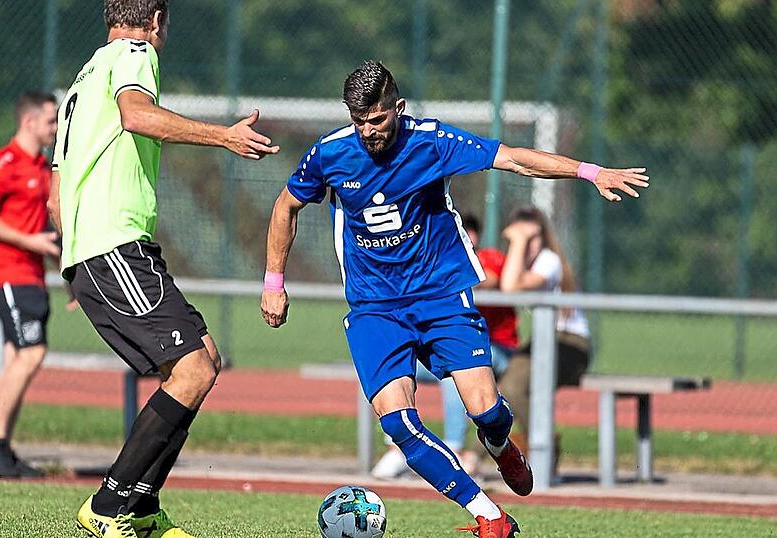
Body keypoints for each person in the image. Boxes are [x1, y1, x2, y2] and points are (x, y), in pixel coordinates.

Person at [260, 60, 646, 537]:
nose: (367, 132)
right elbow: (286, 206)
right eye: (358, 120)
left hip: (440, 297)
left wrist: (589, 172)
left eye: (377, 120)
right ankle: (489, 517)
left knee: (486, 411)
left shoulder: (432, 142)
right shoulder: (330, 154)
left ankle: (502, 446)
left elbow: (515, 158)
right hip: (375, 307)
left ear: (397, 108)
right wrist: (274, 282)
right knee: (399, 425)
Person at [49, 2, 279, 537]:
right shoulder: (134, 53)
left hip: (102, 250)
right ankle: (108, 507)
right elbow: (137, 115)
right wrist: (224, 136)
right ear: (155, 19)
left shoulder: (81, 82)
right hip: (115, 246)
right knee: (194, 369)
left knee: (203, 360)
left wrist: (78, 256)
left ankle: (143, 506)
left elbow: (57, 195)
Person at [370, 213, 518, 480]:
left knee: (454, 372)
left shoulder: (485, 258)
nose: (466, 236)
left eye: (470, 232)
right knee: (388, 369)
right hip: (442, 347)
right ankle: (396, 447)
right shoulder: (430, 258)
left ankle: (455, 448)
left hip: (497, 350)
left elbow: (490, 279)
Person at [0, 90, 59, 478]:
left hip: (30, 275)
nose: (56, 128)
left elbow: (43, 229)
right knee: (31, 353)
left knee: (15, 356)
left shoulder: (41, 166)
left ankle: (0, 448)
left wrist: (65, 273)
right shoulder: (4, 163)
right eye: (51, 121)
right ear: (29, 122)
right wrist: (29, 243)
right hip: (5, 272)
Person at [497, 206, 591, 447]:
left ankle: (544, 448)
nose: (527, 244)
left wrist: (518, 240)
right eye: (520, 237)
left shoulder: (548, 260)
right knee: (506, 389)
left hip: (571, 343)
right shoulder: (522, 264)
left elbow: (510, 287)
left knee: (512, 387)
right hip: (546, 340)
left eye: (532, 238)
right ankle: (479, 453)